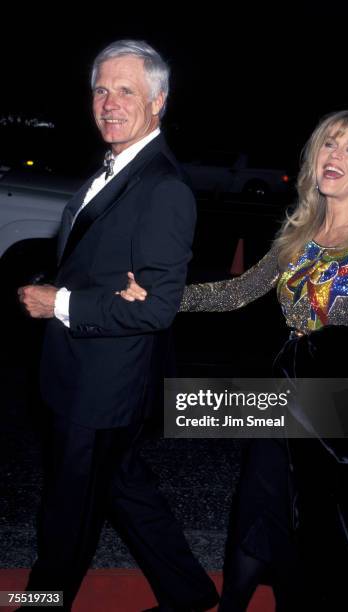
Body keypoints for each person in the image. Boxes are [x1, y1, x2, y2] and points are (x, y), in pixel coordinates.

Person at [120, 109, 348, 611]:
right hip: (285, 399)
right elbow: (236, 292)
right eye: (327, 144)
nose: (334, 156)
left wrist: (326, 363)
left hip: (340, 417)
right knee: (259, 508)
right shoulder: (300, 235)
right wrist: (160, 297)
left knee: (327, 537)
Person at [17, 39, 219, 612]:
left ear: (158, 101)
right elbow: (92, 260)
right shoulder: (114, 166)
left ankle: (42, 603)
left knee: (66, 520)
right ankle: (189, 592)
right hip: (86, 373)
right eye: (101, 89)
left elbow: (155, 308)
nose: (109, 102)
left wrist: (61, 303)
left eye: (125, 90)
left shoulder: (163, 188)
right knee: (124, 489)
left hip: (102, 388)